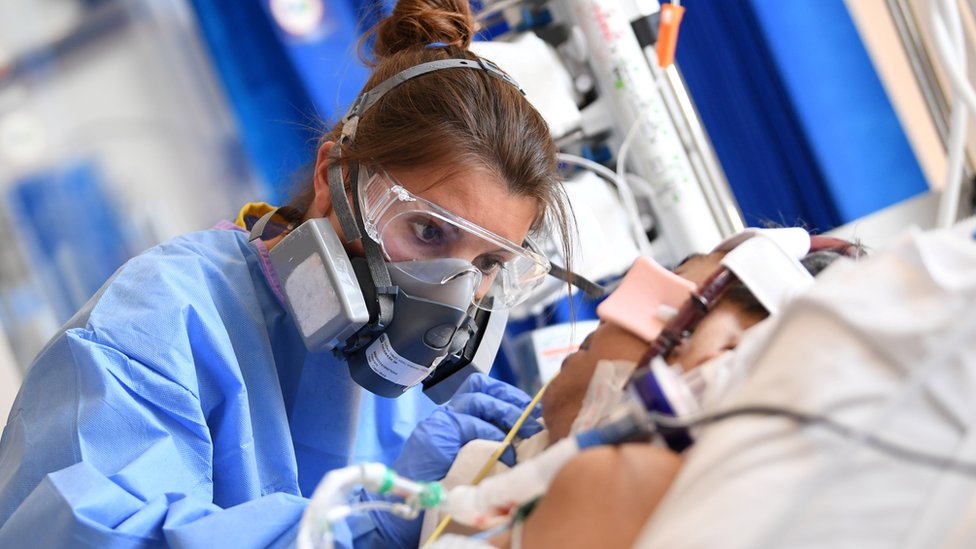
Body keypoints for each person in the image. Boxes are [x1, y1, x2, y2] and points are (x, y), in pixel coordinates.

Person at [0, 1, 585, 547]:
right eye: (429, 232)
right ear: (336, 177)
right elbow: (79, 533)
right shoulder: (165, 318)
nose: (453, 297)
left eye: (487, 265)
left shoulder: (417, 407)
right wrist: (363, 523)